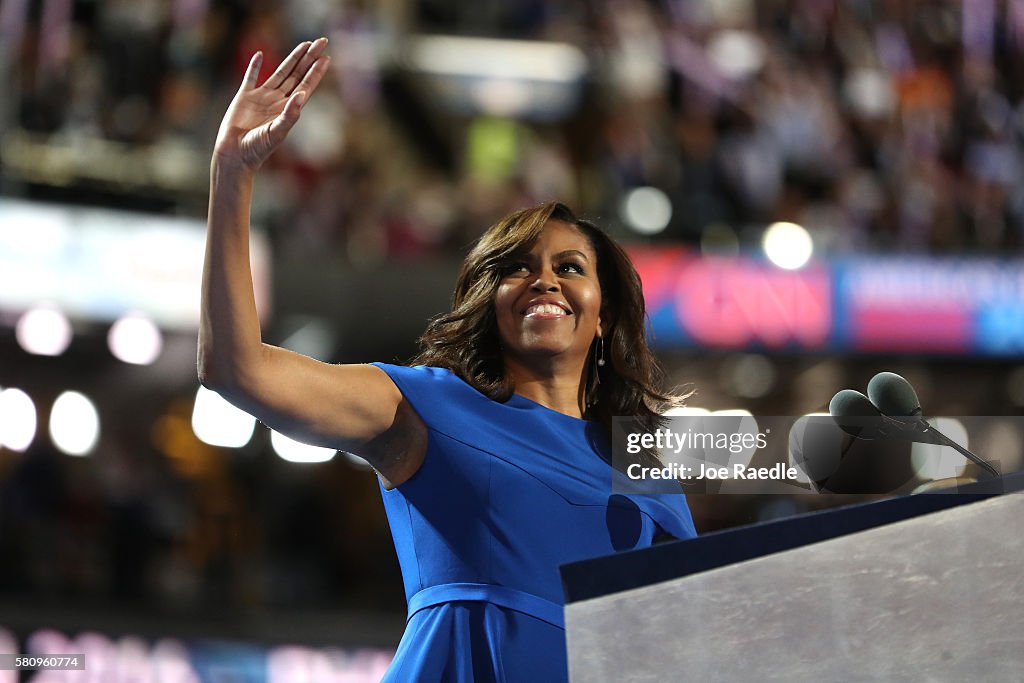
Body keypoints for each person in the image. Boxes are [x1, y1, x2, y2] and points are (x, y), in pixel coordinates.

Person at [199, 38, 697, 682]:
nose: (544, 280)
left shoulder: (649, 472)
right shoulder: (424, 406)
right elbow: (237, 370)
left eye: (569, 268)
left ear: (603, 315)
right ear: (492, 305)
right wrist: (231, 173)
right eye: (518, 269)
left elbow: (691, 642)